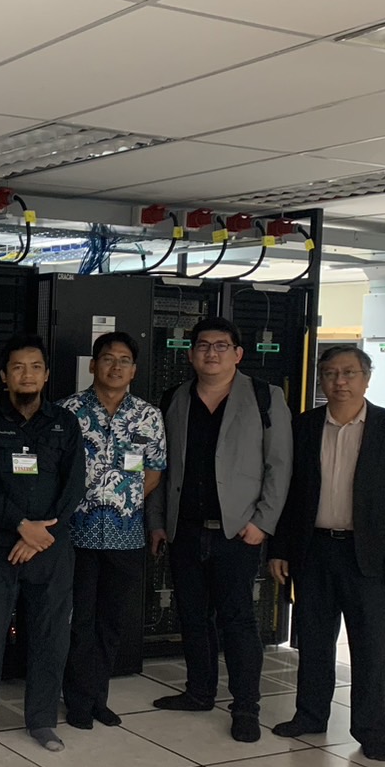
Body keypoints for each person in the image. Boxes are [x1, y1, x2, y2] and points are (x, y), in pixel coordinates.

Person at [269, 345, 385, 762]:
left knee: (370, 647)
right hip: (314, 550)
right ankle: (310, 715)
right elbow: (289, 493)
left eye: (349, 373)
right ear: (321, 379)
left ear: (366, 378)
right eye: (331, 373)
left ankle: (371, 729)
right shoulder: (304, 426)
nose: (340, 381)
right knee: (314, 639)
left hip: (370, 555)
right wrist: (280, 548)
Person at [147, 316, 292, 743]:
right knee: (192, 617)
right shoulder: (175, 397)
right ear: (191, 354)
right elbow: (161, 467)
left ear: (238, 354)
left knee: (238, 621)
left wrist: (262, 523)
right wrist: (158, 522)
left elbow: (280, 465)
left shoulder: (265, 396)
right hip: (185, 530)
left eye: (221, 346)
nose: (211, 353)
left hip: (237, 532)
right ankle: (199, 692)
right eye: (203, 346)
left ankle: (245, 707)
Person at [0, 334, 84, 752]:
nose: (27, 375)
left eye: (35, 367)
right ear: (4, 376)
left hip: (51, 549)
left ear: (46, 375)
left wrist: (40, 534)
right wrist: (20, 525)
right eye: (18, 367)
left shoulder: (65, 423)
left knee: (50, 638)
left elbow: (74, 487)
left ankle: (42, 721)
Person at [55, 331, 166, 731]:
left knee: (111, 621)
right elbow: (55, 470)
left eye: (124, 361)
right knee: (78, 619)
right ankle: (77, 701)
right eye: (107, 358)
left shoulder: (148, 416)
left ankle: (97, 697)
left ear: (133, 370)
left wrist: (124, 498)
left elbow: (153, 471)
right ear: (93, 365)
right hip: (77, 533)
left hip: (126, 534)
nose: (115, 366)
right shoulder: (67, 411)